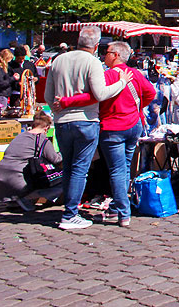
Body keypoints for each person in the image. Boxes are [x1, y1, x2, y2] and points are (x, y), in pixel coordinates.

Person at [57, 41, 155, 228]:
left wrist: (66, 102)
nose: (104, 55)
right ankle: (119, 207)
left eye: (107, 52)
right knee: (125, 168)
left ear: (116, 55)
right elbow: (150, 92)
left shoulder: (107, 76)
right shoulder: (135, 74)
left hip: (113, 127)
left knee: (117, 170)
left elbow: (94, 96)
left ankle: (123, 212)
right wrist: (137, 108)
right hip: (133, 124)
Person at [45, 26, 128, 231]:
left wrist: (59, 106)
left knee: (68, 167)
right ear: (96, 46)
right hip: (86, 120)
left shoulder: (58, 60)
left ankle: (69, 209)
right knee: (80, 169)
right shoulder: (92, 62)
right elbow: (100, 93)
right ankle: (70, 214)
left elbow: (48, 96)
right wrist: (121, 83)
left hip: (62, 121)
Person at [0, 109, 62, 210]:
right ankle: (25, 197)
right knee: (66, 179)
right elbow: (57, 160)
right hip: (18, 181)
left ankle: (14, 199)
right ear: (46, 128)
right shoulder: (42, 139)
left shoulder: (19, 137)